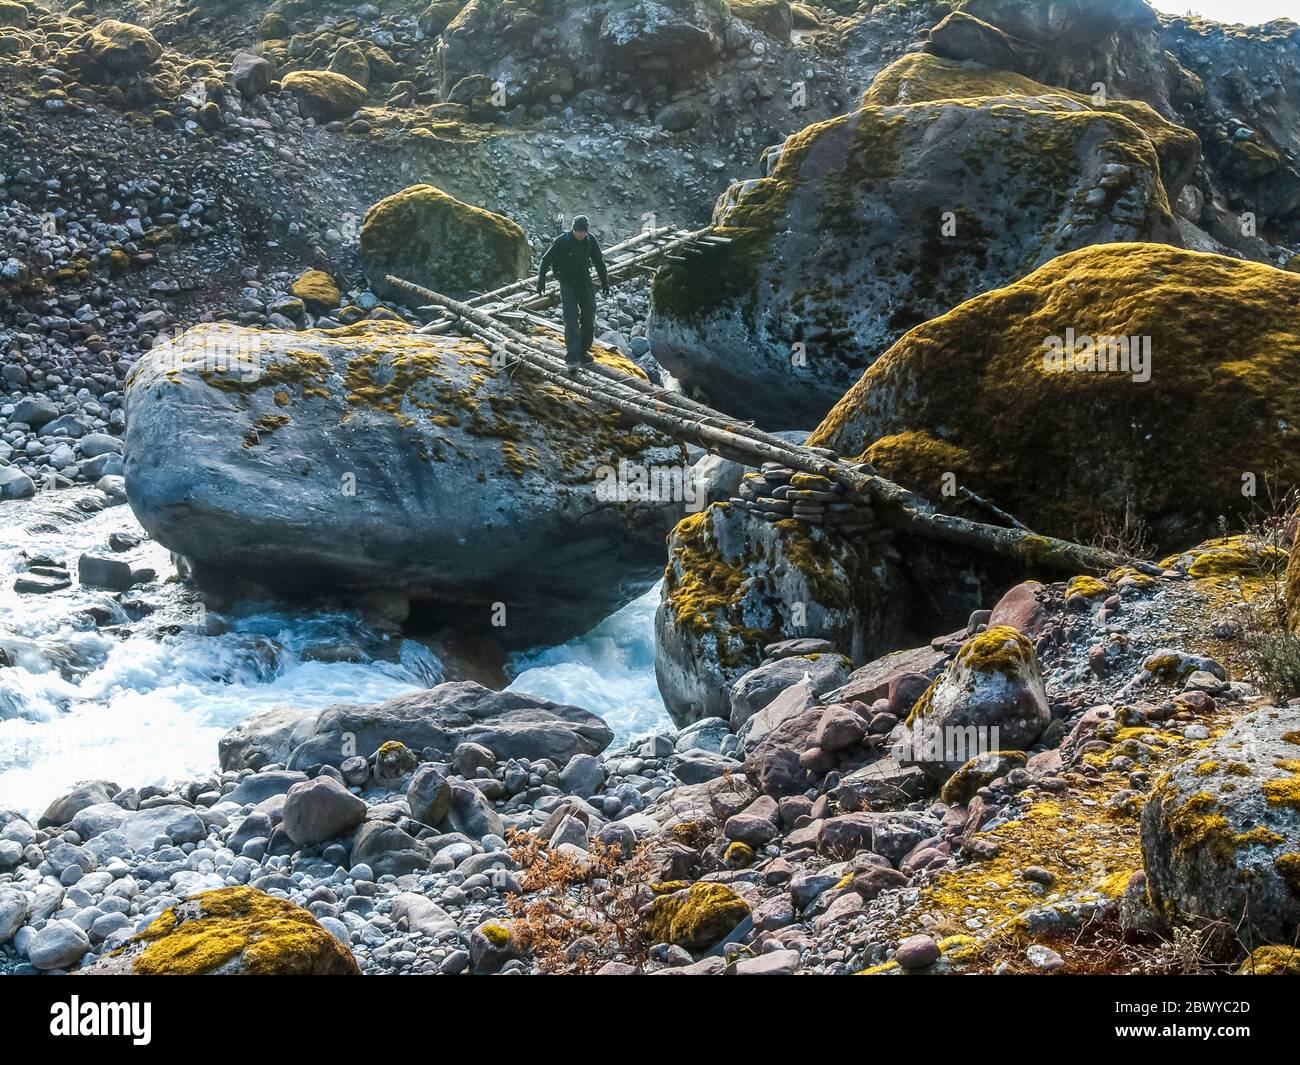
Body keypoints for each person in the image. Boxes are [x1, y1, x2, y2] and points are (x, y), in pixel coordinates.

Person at [536, 215, 610, 370]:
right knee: (571, 320)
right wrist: (541, 280)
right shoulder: (562, 241)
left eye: (583, 232)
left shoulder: (590, 240)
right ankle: (572, 357)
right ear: (573, 229)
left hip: (584, 283)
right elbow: (545, 260)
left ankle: (583, 352)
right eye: (578, 231)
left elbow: (599, 262)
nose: (580, 235)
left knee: (589, 317)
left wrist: (605, 282)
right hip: (567, 284)